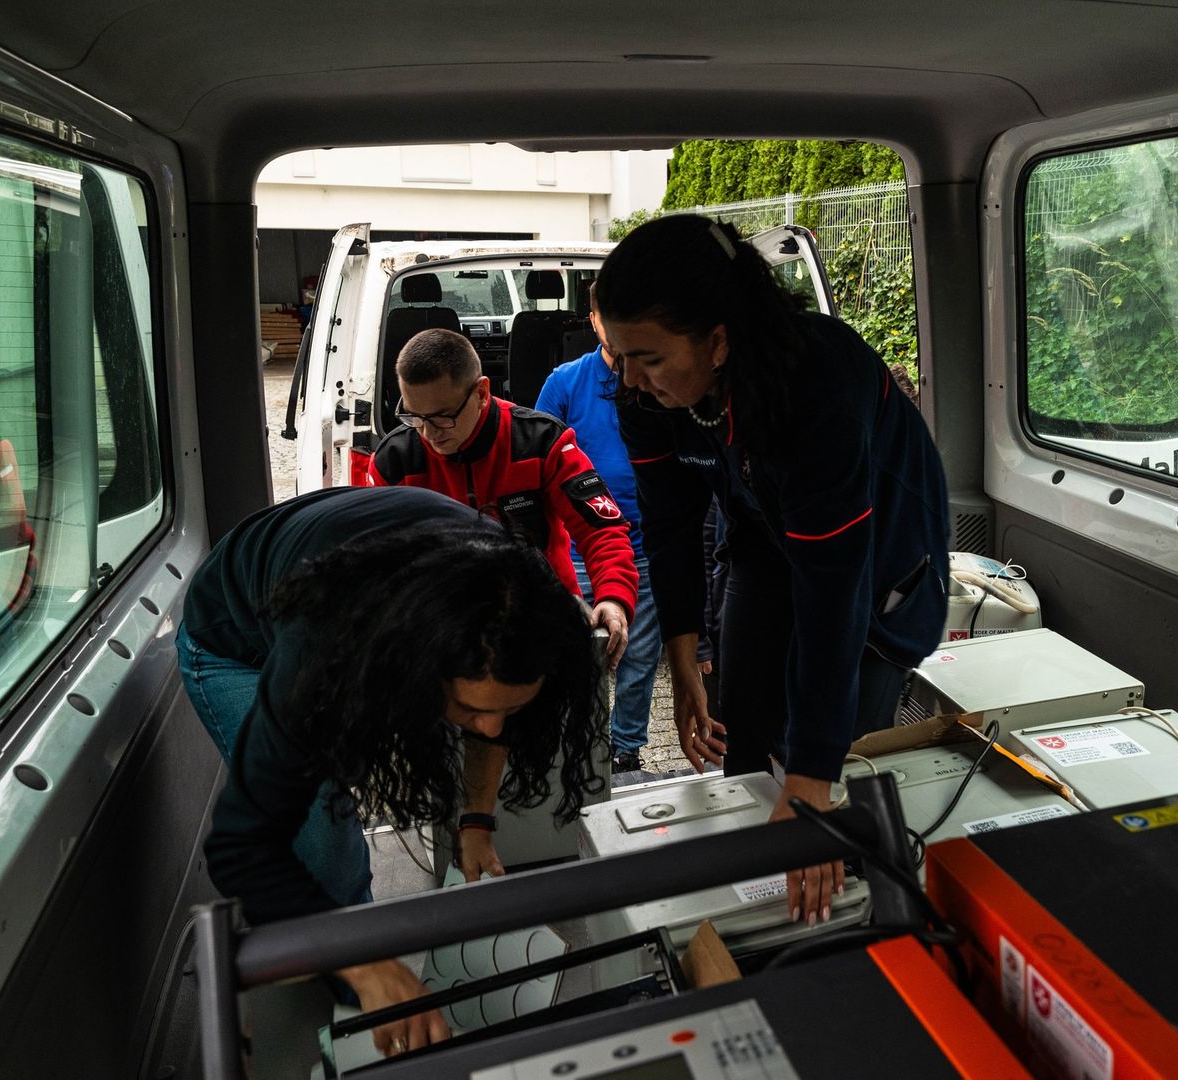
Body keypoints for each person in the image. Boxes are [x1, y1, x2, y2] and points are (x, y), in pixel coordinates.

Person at [597, 214, 950, 930]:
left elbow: (833, 591)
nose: (630, 381)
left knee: (834, 755)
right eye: (618, 354)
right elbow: (667, 523)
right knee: (746, 724)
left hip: (876, 561)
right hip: (764, 534)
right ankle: (751, 906)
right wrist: (684, 658)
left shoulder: (815, 387)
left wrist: (811, 779)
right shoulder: (642, 390)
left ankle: (842, 905)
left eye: (650, 359)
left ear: (720, 340)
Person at [177, 485, 605, 1057]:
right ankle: (340, 1008)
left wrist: (476, 822)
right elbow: (241, 843)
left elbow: (505, 720)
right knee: (320, 840)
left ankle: (349, 958)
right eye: (472, 709)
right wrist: (365, 962)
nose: (490, 729)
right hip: (233, 642)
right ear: (412, 671)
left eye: (509, 707)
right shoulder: (322, 646)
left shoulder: (523, 602)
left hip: (348, 572)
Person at [366, 328, 638, 668]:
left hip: (542, 630)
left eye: (442, 417)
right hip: (440, 638)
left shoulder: (542, 442)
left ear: (481, 392)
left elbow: (602, 530)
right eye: (414, 416)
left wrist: (613, 597)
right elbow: (377, 562)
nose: (428, 433)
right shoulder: (395, 461)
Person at [535, 285, 662, 773]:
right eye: (608, 319)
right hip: (583, 550)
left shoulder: (651, 379)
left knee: (640, 657)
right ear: (593, 322)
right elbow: (541, 463)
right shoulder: (564, 383)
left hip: (645, 545)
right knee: (582, 660)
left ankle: (625, 752)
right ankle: (578, 752)